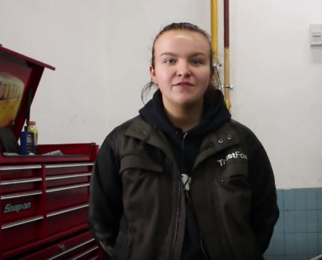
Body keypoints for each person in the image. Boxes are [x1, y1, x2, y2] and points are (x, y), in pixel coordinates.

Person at [88, 22, 280, 260]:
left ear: (210, 73)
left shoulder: (242, 142)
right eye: (170, 60)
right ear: (154, 73)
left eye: (196, 61)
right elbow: (102, 221)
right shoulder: (121, 143)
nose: (183, 70)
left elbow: (264, 217)